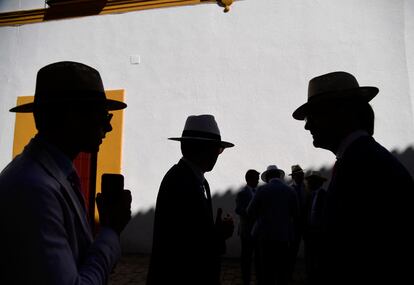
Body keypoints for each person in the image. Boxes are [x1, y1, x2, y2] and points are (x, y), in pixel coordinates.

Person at [0, 61, 132, 284]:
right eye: (103, 116)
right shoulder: (35, 188)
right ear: (73, 116)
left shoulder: (53, 175)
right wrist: (110, 231)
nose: (108, 127)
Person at [292, 71, 414, 284]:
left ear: (342, 112)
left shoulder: (364, 165)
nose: (307, 125)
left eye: (314, 115)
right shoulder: (361, 159)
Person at [147, 114, 235, 285]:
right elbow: (185, 246)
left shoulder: (198, 181)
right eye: (218, 149)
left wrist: (216, 233)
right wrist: (219, 235)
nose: (219, 154)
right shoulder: (179, 181)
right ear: (203, 149)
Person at [247, 165, 298, 285]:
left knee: (267, 270)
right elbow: (296, 214)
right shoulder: (290, 190)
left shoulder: (262, 190)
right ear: (279, 175)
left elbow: (250, 211)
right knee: (281, 271)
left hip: (265, 237)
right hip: (284, 237)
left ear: (268, 176)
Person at [235, 169, 260, 285]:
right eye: (256, 179)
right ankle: (246, 280)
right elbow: (238, 210)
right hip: (247, 230)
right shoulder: (242, 193)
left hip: (257, 230)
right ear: (249, 180)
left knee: (258, 256)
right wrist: (250, 213)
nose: (258, 181)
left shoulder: (258, 191)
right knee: (246, 257)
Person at [303, 171, 327, 285]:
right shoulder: (310, 195)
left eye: (309, 182)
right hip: (311, 229)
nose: (307, 184)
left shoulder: (323, 194)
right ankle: (311, 275)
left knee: (317, 254)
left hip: (319, 230)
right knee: (310, 254)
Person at [287, 164, 306, 280]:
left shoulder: (305, 187)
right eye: (299, 175)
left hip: (304, 222)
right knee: (292, 249)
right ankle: (289, 272)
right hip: (293, 223)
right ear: (294, 176)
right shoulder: (289, 189)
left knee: (298, 247)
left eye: (302, 174)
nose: (302, 176)